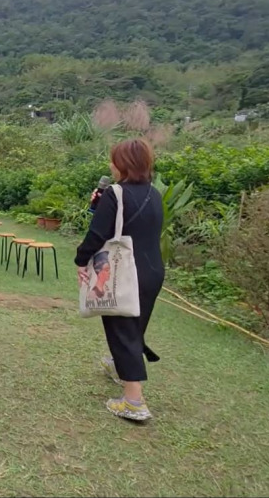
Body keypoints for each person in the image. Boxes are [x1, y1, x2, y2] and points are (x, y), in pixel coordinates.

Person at [75, 138, 164, 422]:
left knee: (122, 331)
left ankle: (134, 402)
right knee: (134, 327)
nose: (110, 165)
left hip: (125, 272)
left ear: (122, 164)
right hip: (152, 270)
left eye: (113, 160)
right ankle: (117, 365)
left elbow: (97, 234)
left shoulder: (115, 193)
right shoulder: (154, 194)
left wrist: (81, 259)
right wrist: (98, 205)